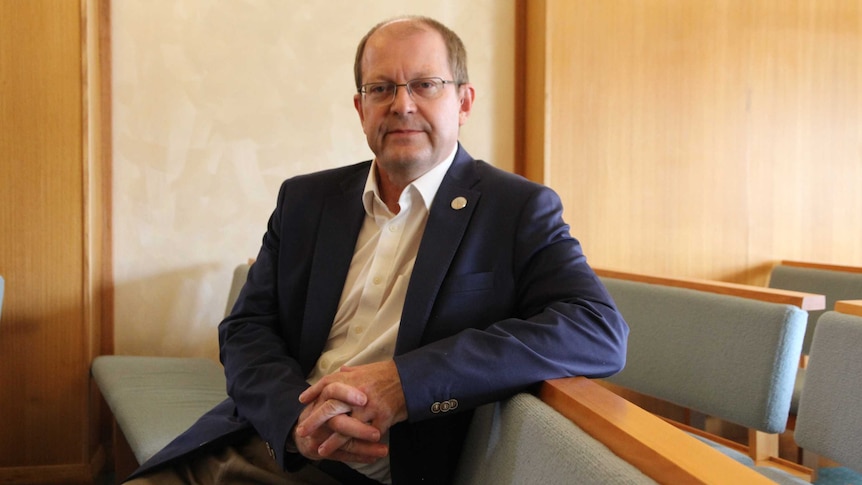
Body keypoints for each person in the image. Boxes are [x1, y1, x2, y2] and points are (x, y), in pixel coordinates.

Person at [125, 15, 628, 485]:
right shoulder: (305, 200)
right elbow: (246, 328)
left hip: (393, 468)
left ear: (465, 102)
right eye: (381, 88)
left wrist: (404, 382)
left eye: (426, 85)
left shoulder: (516, 208)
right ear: (360, 107)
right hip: (273, 444)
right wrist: (295, 419)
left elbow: (598, 331)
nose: (402, 104)